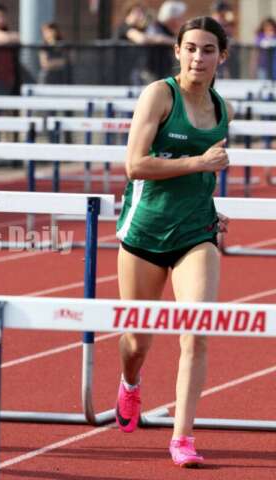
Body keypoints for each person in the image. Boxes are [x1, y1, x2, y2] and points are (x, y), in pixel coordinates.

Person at [114, 16, 233, 468]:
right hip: (144, 232)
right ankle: (130, 382)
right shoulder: (160, 95)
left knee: (196, 333)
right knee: (137, 342)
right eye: (190, 48)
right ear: (177, 52)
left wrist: (208, 205)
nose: (197, 58)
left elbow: (207, 170)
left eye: (207, 49)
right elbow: (135, 165)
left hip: (195, 235)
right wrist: (197, 163)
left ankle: (182, 437)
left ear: (222, 56)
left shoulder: (223, 108)